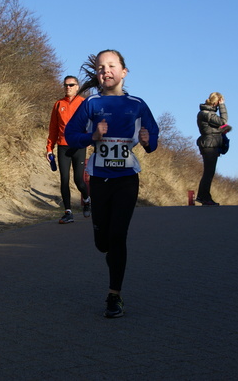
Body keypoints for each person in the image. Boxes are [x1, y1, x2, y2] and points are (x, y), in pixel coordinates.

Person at [65, 49, 159, 318]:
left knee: (118, 235)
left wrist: (146, 140)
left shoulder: (137, 104)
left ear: (123, 72)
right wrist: (92, 136)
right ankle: (106, 247)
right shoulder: (91, 104)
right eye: (100, 67)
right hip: (100, 178)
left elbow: (153, 135)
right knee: (102, 241)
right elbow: (71, 134)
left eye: (111, 66)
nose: (105, 70)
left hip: (127, 179)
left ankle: (114, 295)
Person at [46, 76, 91, 224]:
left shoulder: (84, 103)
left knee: (79, 180)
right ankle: (68, 212)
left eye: (71, 85)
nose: (68, 87)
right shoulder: (58, 104)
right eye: (66, 85)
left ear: (77, 87)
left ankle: (87, 199)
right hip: (63, 146)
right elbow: (53, 128)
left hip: (78, 146)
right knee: (64, 180)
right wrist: (49, 148)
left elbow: (92, 125)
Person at [195, 92, 229, 206]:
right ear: (216, 102)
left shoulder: (209, 114)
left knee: (209, 172)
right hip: (209, 145)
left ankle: (204, 195)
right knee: (208, 172)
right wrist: (223, 106)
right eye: (220, 102)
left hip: (212, 145)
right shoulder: (206, 113)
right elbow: (223, 121)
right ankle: (204, 197)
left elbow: (220, 127)